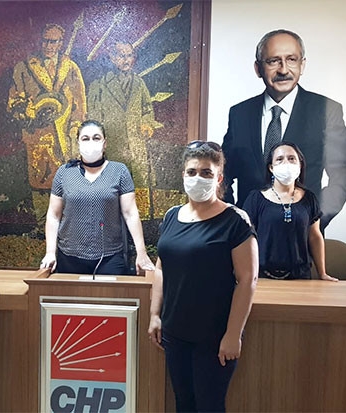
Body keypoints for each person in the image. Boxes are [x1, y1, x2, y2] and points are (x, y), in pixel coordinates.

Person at [148, 141, 258, 412]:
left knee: (210, 406)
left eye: (206, 172)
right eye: (192, 172)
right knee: (184, 404)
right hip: (175, 332)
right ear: (183, 176)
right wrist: (154, 314)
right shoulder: (172, 216)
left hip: (214, 337)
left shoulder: (235, 220)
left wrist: (233, 334)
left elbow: (248, 280)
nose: (198, 177)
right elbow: (161, 268)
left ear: (219, 178)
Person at [222, 29, 346, 231]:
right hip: (247, 237)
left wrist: (314, 220)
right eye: (273, 61)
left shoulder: (326, 110)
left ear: (302, 65)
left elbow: (342, 174)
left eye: (291, 60)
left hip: (303, 239)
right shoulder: (240, 113)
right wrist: (234, 218)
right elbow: (223, 173)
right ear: (258, 68)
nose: (283, 70)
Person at [39, 120, 154, 275]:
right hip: (69, 257)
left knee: (111, 292)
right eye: (85, 138)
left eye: (96, 138)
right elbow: (54, 215)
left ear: (104, 143)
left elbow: (131, 214)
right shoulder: (64, 173)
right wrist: (50, 252)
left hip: (110, 258)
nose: (91, 142)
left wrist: (142, 253)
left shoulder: (119, 171)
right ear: (78, 143)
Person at [8, 23, 86, 224]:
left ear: (61, 43)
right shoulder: (24, 67)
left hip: (65, 132)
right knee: (40, 176)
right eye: (45, 41)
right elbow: (14, 100)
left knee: (67, 178)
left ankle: (68, 223)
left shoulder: (71, 68)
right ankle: (43, 223)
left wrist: (76, 126)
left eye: (53, 41)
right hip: (38, 133)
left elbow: (80, 101)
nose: (48, 46)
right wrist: (25, 112)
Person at [242, 142, 338, 281]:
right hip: (262, 276)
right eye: (279, 159)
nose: (286, 163)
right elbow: (245, 239)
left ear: (300, 165)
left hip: (300, 276)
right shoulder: (256, 199)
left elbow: (315, 237)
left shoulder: (309, 198)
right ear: (271, 167)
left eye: (291, 158)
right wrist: (244, 274)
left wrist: (322, 273)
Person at [87, 39, 162, 188]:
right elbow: (93, 120)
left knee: (139, 190)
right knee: (112, 190)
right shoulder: (99, 85)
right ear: (112, 58)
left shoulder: (139, 83)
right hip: (112, 150)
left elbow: (147, 109)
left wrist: (147, 124)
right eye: (122, 56)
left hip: (136, 148)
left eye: (130, 55)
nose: (127, 60)